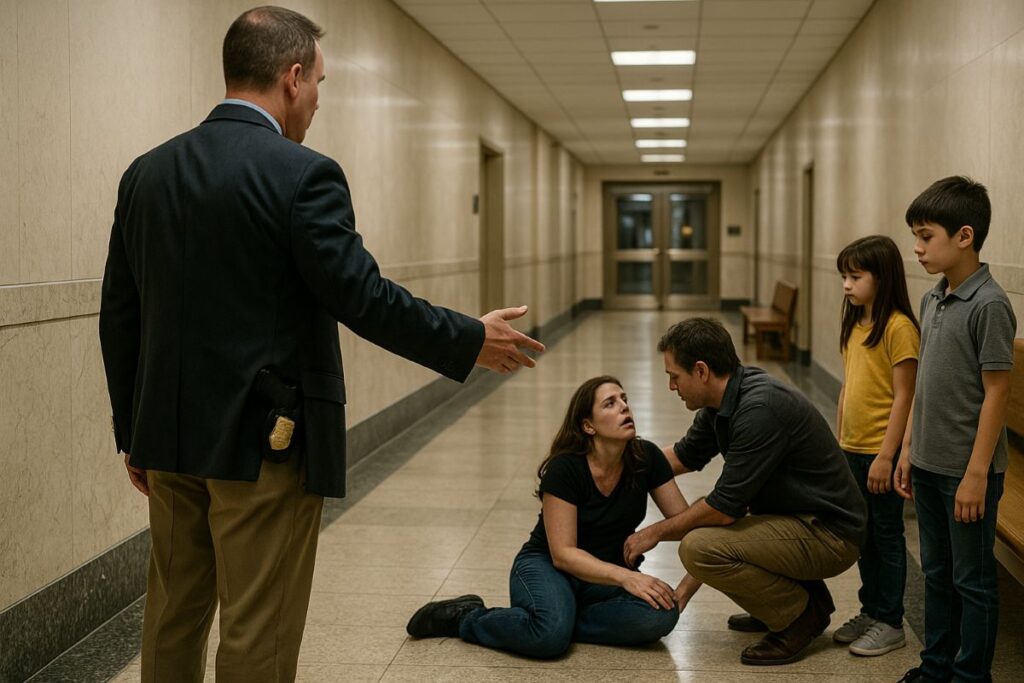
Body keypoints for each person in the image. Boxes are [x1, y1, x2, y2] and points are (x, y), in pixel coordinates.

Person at [98, 7, 544, 681]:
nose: (315, 102)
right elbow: (362, 297)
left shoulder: (147, 173)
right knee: (257, 629)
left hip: (168, 441)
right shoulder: (302, 174)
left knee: (171, 615)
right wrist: (469, 337)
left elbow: (120, 314)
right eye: (320, 85)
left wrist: (132, 430)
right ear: (293, 76)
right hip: (262, 446)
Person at [624, 318, 867, 666]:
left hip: (830, 533)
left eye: (674, 376)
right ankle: (792, 602)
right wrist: (618, 466)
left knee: (699, 546)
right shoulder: (721, 400)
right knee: (705, 533)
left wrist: (652, 534)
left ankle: (800, 617)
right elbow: (681, 457)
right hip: (796, 520)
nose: (671, 386)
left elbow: (722, 510)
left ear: (702, 371)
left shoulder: (759, 408)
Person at [406, 376, 699, 658]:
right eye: (609, 403)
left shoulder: (646, 458)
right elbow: (563, 554)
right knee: (547, 639)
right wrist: (626, 578)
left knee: (663, 616)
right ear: (588, 426)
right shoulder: (566, 468)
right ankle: (467, 617)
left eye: (624, 399)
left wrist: (683, 586)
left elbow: (689, 526)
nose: (624, 406)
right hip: (548, 566)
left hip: (602, 579)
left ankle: (561, 619)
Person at [894, 176, 1016, 683]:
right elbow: (923, 383)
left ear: (964, 236)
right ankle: (935, 666)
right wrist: (906, 449)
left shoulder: (989, 304)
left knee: (973, 581)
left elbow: (997, 394)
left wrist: (975, 475)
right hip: (926, 463)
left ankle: (970, 676)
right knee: (938, 575)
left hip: (967, 473)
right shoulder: (933, 299)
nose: (917, 248)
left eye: (926, 236)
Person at [832, 235, 920, 657]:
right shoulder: (855, 323)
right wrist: (839, 438)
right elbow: (850, 385)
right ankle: (871, 610)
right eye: (844, 277)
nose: (846, 285)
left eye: (855, 276)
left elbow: (905, 395)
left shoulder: (899, 327)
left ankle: (890, 620)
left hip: (879, 452)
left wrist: (887, 456)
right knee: (863, 533)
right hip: (851, 447)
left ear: (881, 278)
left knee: (886, 533)